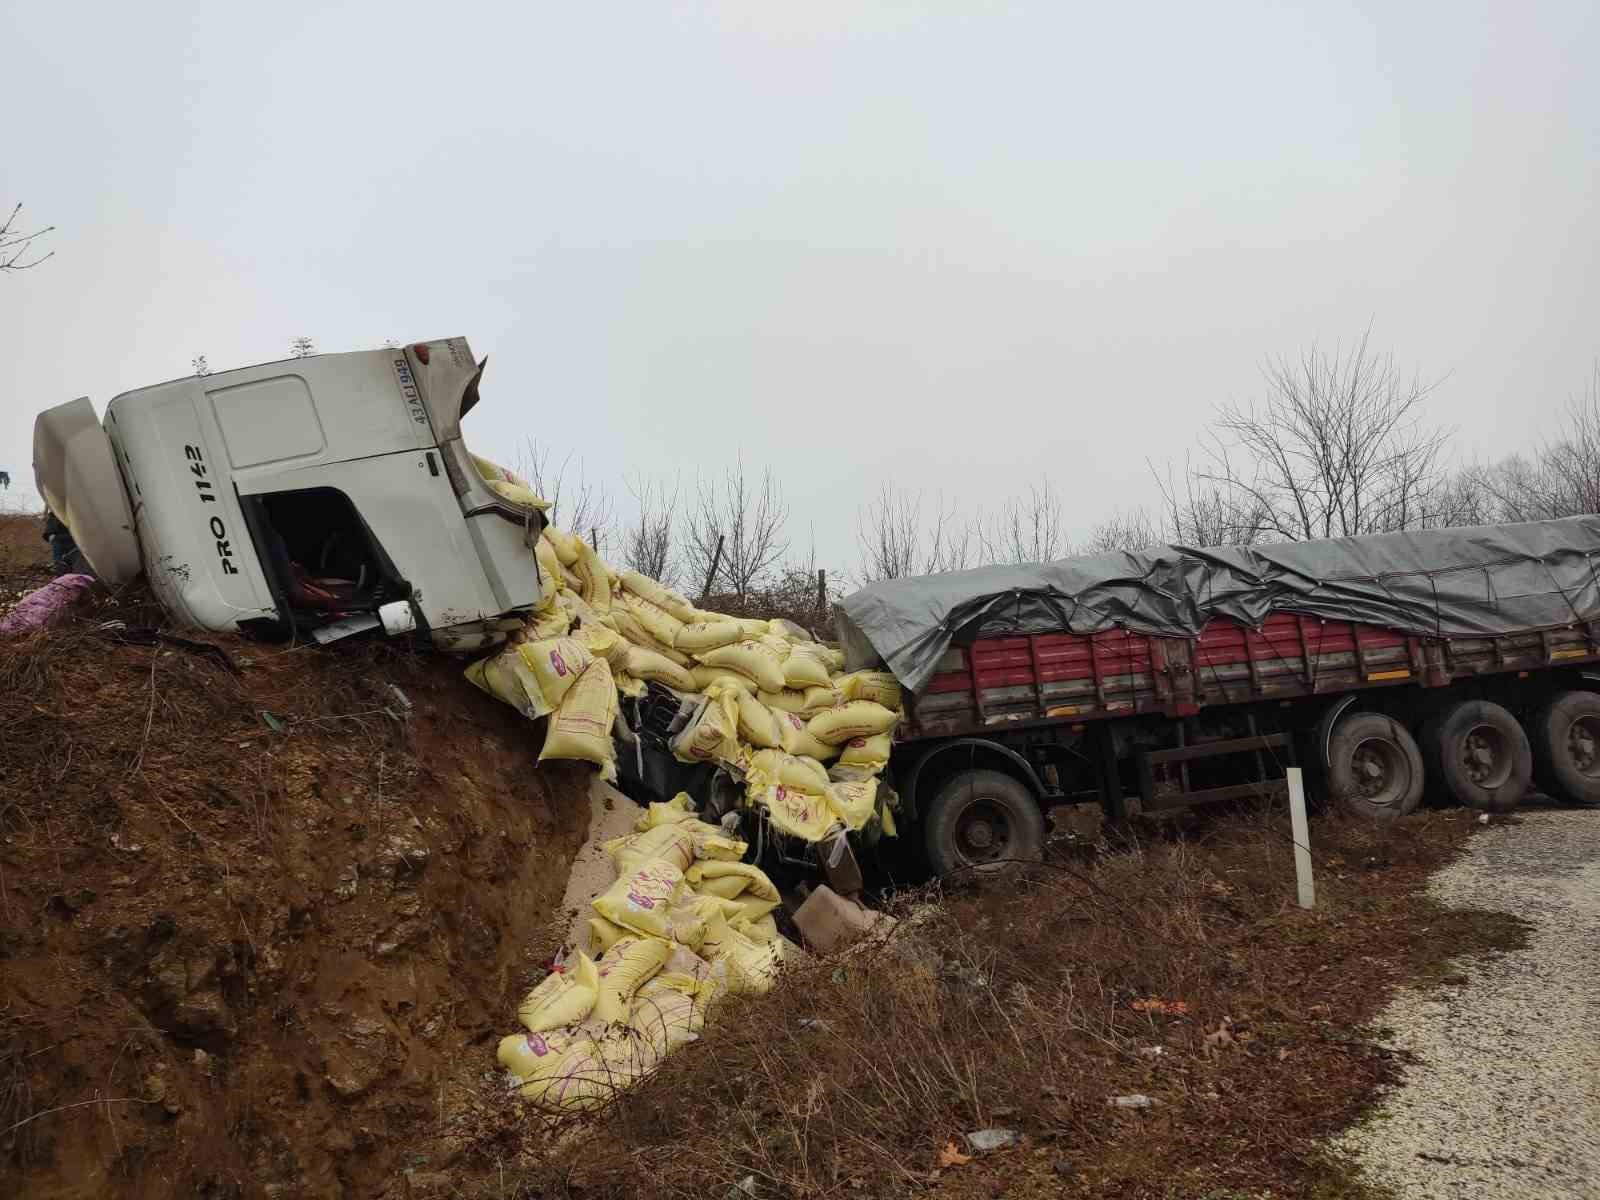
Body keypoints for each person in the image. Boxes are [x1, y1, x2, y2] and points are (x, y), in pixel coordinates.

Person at [41, 509, 86, 573]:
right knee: (59, 561)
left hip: (73, 540)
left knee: (75, 560)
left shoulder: (74, 514)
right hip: (60, 540)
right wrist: (50, 535)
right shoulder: (53, 516)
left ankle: (73, 575)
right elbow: (50, 530)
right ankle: (62, 574)